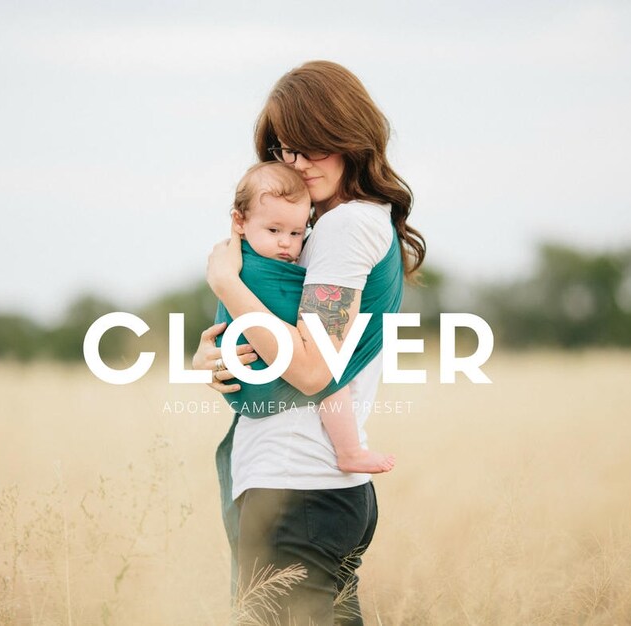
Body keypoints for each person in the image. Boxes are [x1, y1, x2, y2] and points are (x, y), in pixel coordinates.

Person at [193, 60, 425, 625]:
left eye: (311, 146)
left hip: (299, 485)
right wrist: (217, 357)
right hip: (312, 487)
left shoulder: (346, 227)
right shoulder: (347, 225)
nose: (297, 163)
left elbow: (315, 369)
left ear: (347, 135)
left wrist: (226, 283)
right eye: (284, 151)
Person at [220, 160, 395, 474]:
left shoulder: (232, 263)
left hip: (286, 461)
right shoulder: (255, 270)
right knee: (331, 377)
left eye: (296, 232)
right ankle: (350, 451)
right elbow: (314, 367)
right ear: (240, 221)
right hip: (285, 458)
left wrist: (224, 282)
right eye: (274, 231)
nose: (286, 242)